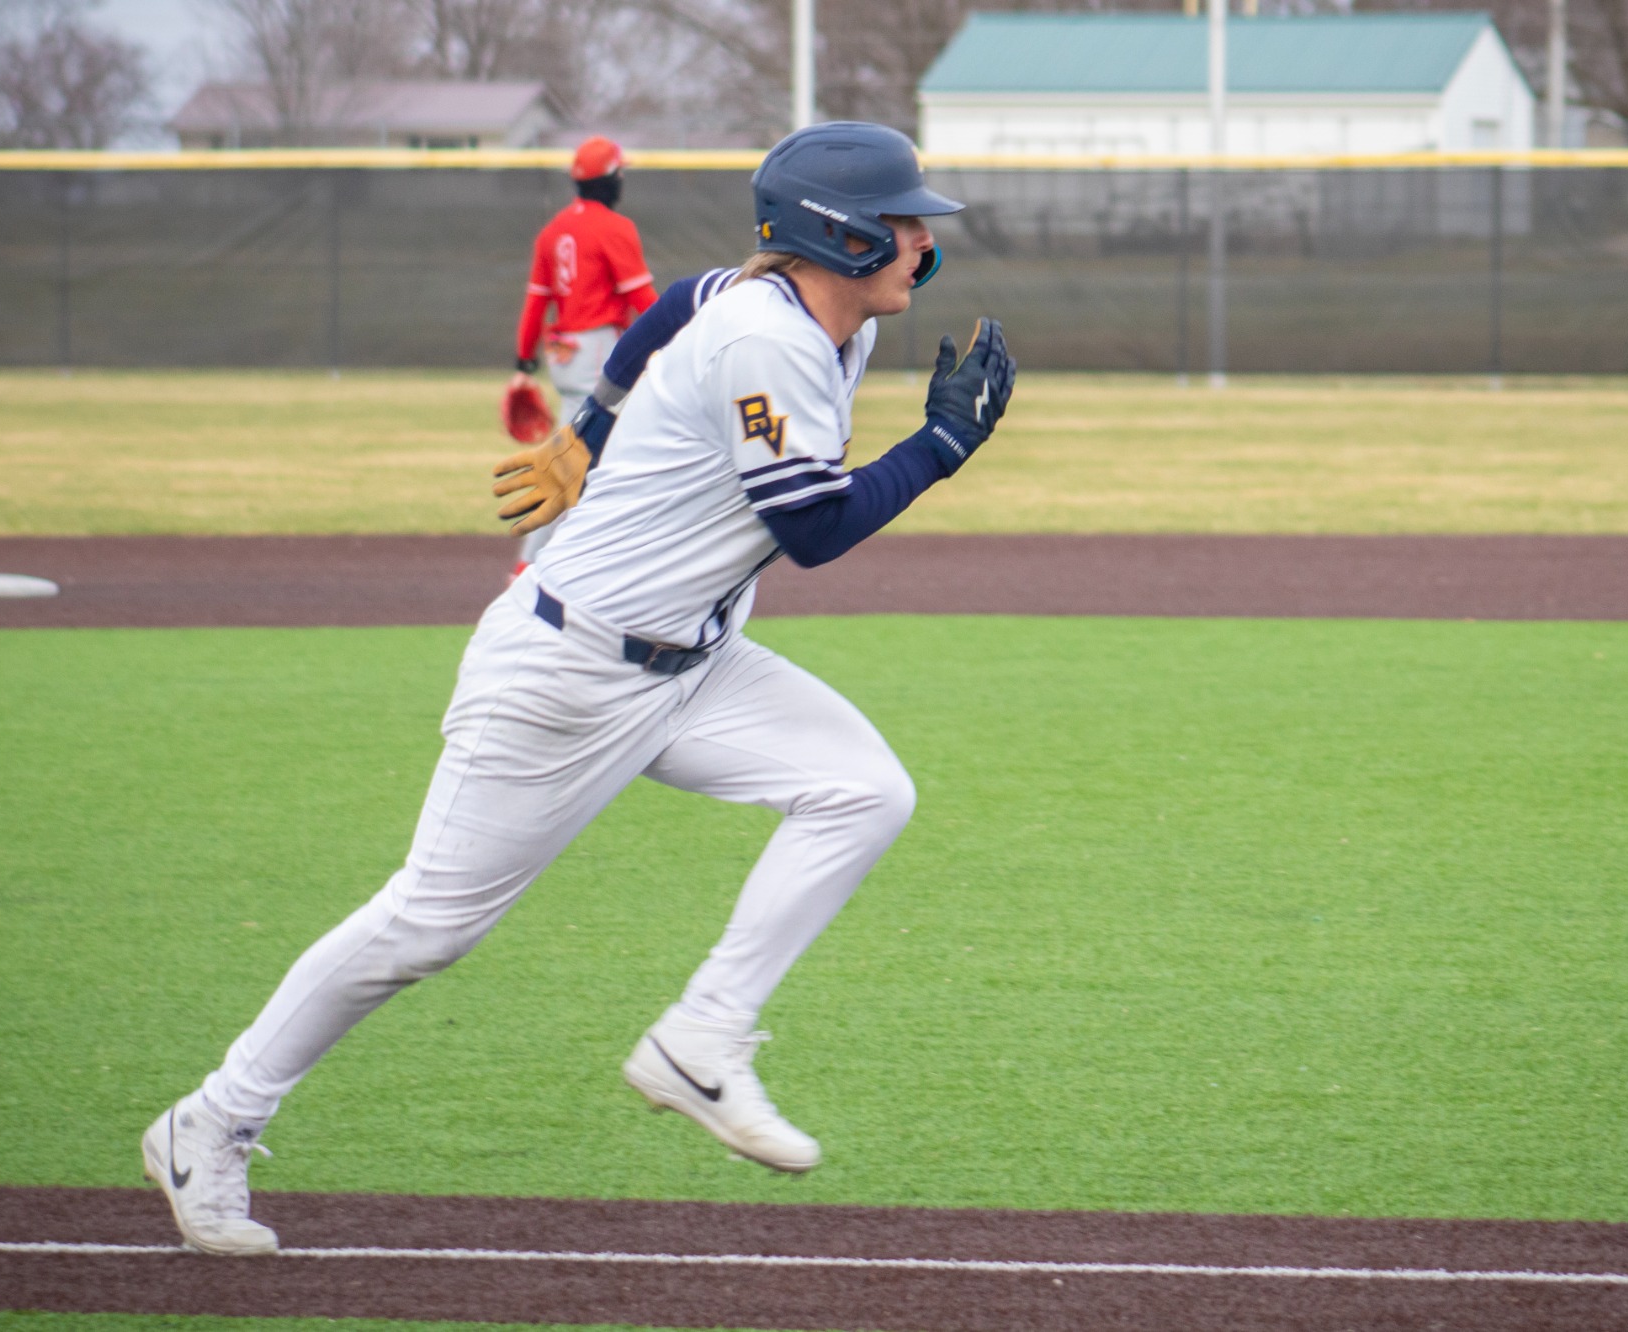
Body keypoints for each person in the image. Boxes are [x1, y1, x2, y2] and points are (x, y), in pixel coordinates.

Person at [140, 120, 1016, 1258]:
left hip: (688, 661)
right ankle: (208, 1123)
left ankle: (702, 1039)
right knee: (423, 928)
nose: (920, 238)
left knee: (863, 791)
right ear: (835, 236)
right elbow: (811, 528)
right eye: (902, 221)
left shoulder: (809, 316)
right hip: (565, 673)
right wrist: (938, 448)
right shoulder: (772, 340)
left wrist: (587, 427)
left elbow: (674, 301)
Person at [507, 134, 658, 575]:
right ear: (610, 180)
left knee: (595, 448)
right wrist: (682, 328)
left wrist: (523, 363)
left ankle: (558, 560)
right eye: (620, 172)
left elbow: (537, 301)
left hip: (562, 354)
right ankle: (536, 565)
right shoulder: (614, 227)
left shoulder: (553, 230)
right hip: (596, 350)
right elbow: (642, 297)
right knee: (587, 453)